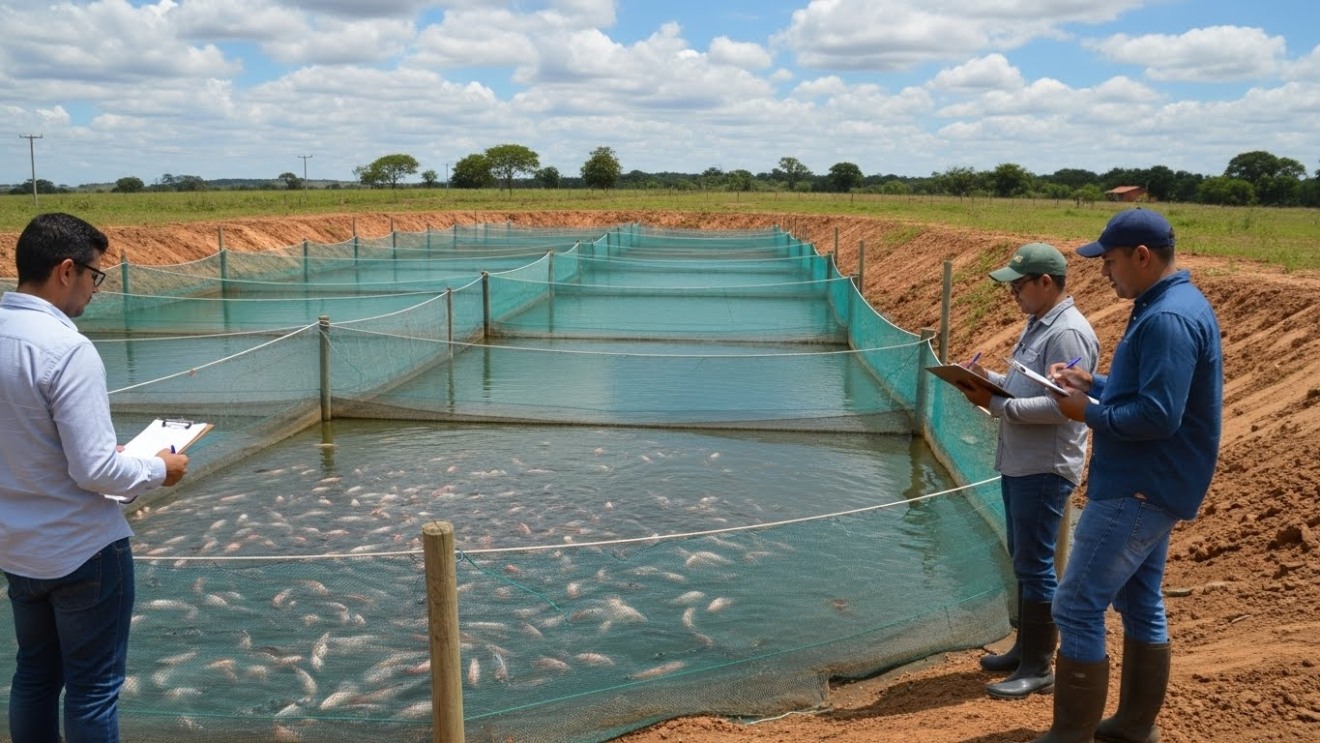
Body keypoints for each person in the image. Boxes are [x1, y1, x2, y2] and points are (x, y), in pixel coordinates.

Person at [1, 213, 190, 742]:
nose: (94, 289)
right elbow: (94, 470)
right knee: (93, 689)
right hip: (82, 550)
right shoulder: (66, 348)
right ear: (66, 270)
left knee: (34, 676)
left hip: (17, 549)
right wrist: (160, 467)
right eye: (94, 275)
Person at [1039, 208, 1222, 743]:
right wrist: (1091, 382)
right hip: (1159, 484)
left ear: (1142, 256)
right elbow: (1147, 391)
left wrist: (1084, 411)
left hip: (1138, 486)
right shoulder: (1172, 305)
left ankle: (1070, 735)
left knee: (1074, 605)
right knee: (1141, 601)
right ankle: (1134, 725)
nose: (1105, 272)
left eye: (1111, 261)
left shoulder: (1167, 318)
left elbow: (1158, 415)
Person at [955, 242, 1099, 700]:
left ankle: (1039, 666)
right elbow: (1027, 384)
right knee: (1024, 558)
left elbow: (1063, 408)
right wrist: (986, 380)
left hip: (1044, 465)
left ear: (1046, 282)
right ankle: (1024, 649)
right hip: (1020, 460)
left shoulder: (1068, 333)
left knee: (1036, 565)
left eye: (1020, 285)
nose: (1014, 293)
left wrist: (998, 405)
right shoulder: (1039, 324)